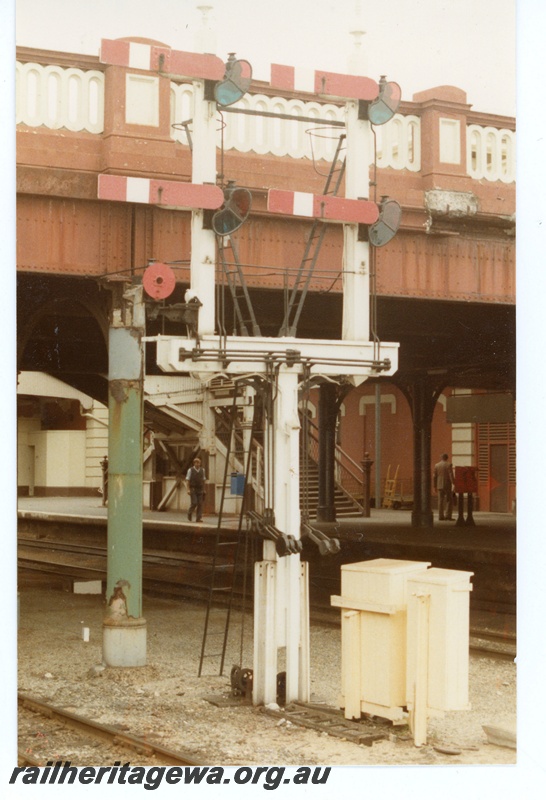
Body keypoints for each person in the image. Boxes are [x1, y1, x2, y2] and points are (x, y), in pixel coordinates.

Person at [433, 453, 455, 521]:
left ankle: (440, 516)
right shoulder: (449, 465)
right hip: (447, 484)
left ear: (441, 458)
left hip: (439, 484)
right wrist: (453, 483)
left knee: (440, 501)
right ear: (447, 458)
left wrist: (434, 486)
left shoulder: (436, 465)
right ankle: (448, 516)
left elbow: (434, 476)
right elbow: (450, 474)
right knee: (449, 500)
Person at [186, 457, 206, 522]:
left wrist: (204, 489)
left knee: (200, 504)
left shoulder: (202, 470)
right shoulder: (190, 470)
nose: (197, 464)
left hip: (200, 489)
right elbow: (188, 480)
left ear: (200, 463)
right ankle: (189, 512)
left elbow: (203, 480)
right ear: (194, 463)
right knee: (194, 502)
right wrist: (188, 489)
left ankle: (198, 518)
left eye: (198, 462)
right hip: (193, 489)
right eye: (196, 462)